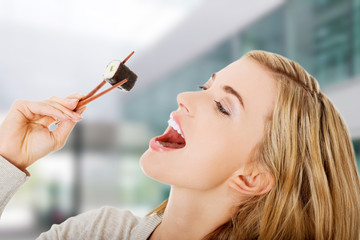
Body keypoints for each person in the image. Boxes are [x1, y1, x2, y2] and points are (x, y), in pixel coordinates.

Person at [0, 50, 359, 240]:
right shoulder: (96, 232)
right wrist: (7, 157)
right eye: (206, 87)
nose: (184, 96)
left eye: (223, 106)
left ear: (251, 178)